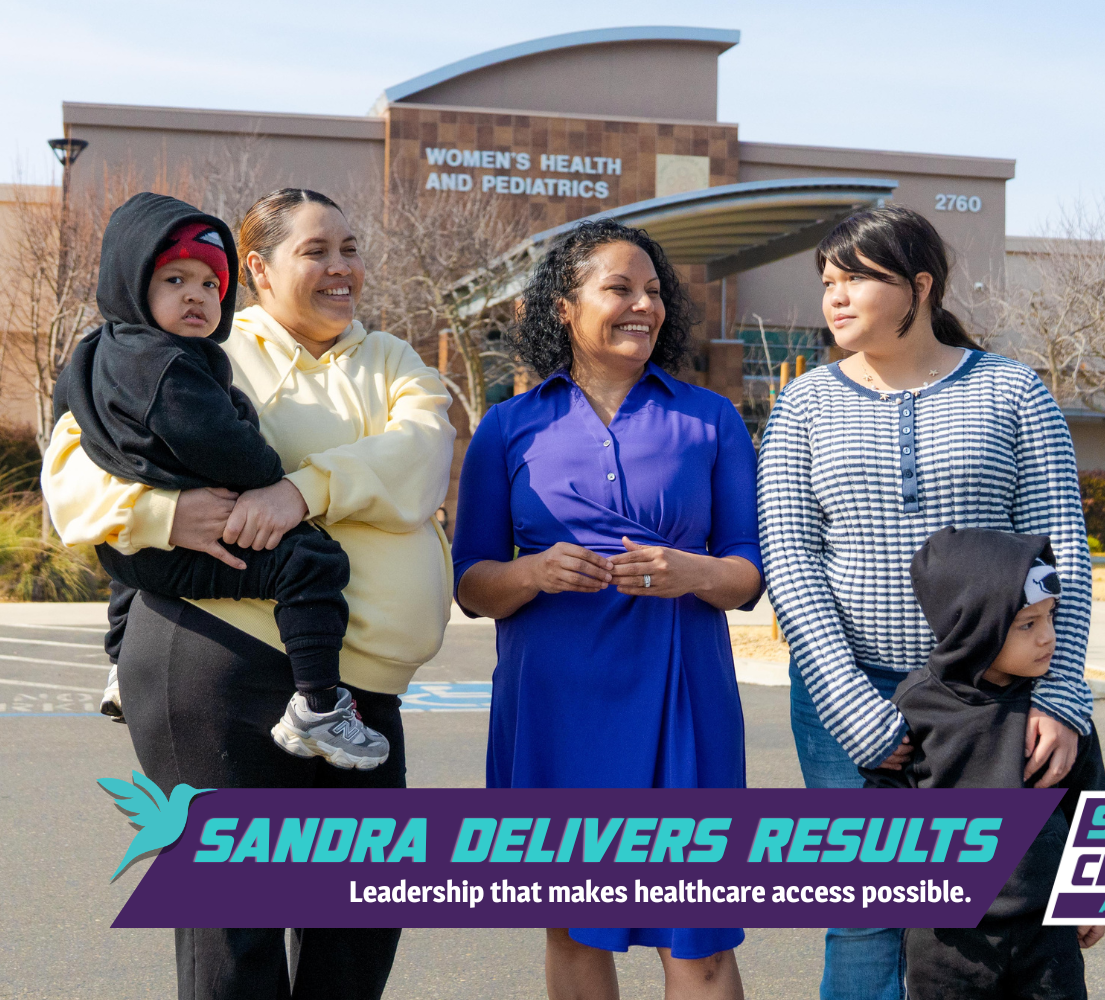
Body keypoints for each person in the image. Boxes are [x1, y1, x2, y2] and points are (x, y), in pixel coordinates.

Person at [42, 187, 454, 1000]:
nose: (342, 268)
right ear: (257, 269)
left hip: (358, 689)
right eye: (317, 251)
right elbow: (70, 481)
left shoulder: (393, 361)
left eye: (350, 247)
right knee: (240, 930)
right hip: (222, 663)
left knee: (361, 921)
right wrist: (165, 513)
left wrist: (303, 489)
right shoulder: (191, 349)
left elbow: (421, 457)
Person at [756, 206, 1095, 1000]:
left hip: (994, 699)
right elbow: (792, 559)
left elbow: (1062, 550)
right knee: (867, 911)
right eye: (827, 282)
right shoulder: (804, 406)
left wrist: (1062, 693)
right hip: (854, 691)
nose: (835, 299)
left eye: (857, 280)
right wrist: (852, 708)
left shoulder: (1011, 391)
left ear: (919, 286)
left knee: (997, 912)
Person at [452, 218, 763, 1000]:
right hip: (555, 702)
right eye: (619, 288)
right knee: (572, 928)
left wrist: (693, 570)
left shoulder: (712, 419)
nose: (643, 306)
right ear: (564, 305)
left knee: (698, 940)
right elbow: (471, 586)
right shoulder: (506, 426)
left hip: (681, 694)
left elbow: (748, 577)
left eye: (654, 291)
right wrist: (532, 574)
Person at [57, 191, 385, 768]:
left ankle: (118, 667)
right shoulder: (167, 365)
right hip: (185, 545)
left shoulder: (98, 351)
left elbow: (78, 421)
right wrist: (270, 480)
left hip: (133, 551)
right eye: (175, 280)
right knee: (311, 563)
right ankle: (319, 705)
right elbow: (215, 440)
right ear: (132, 283)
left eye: (210, 285)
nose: (196, 296)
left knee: (131, 579)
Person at [863, 527, 1105, 1000]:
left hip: (1046, 932)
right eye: (1027, 625)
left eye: (1050, 618)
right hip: (948, 942)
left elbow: (1090, 800)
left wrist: (1091, 896)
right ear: (976, 623)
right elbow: (885, 805)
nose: (1049, 638)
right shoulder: (918, 706)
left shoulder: (1055, 711)